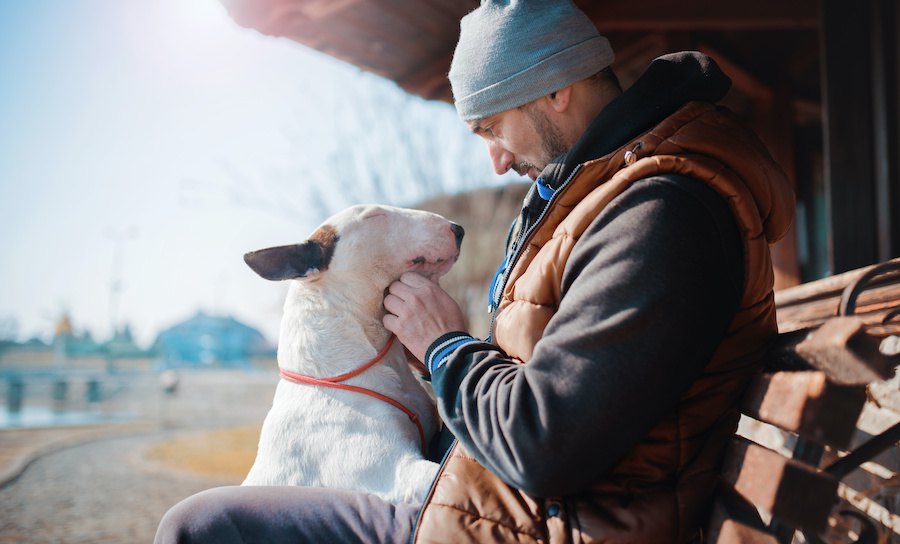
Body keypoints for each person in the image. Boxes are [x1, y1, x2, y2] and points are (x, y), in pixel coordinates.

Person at [155, 1, 794, 542]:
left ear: (555, 88)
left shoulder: (661, 213)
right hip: (520, 493)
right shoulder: (618, 198)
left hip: (551, 521)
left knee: (203, 525)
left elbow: (543, 445)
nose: (493, 161)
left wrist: (446, 346)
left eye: (492, 126)